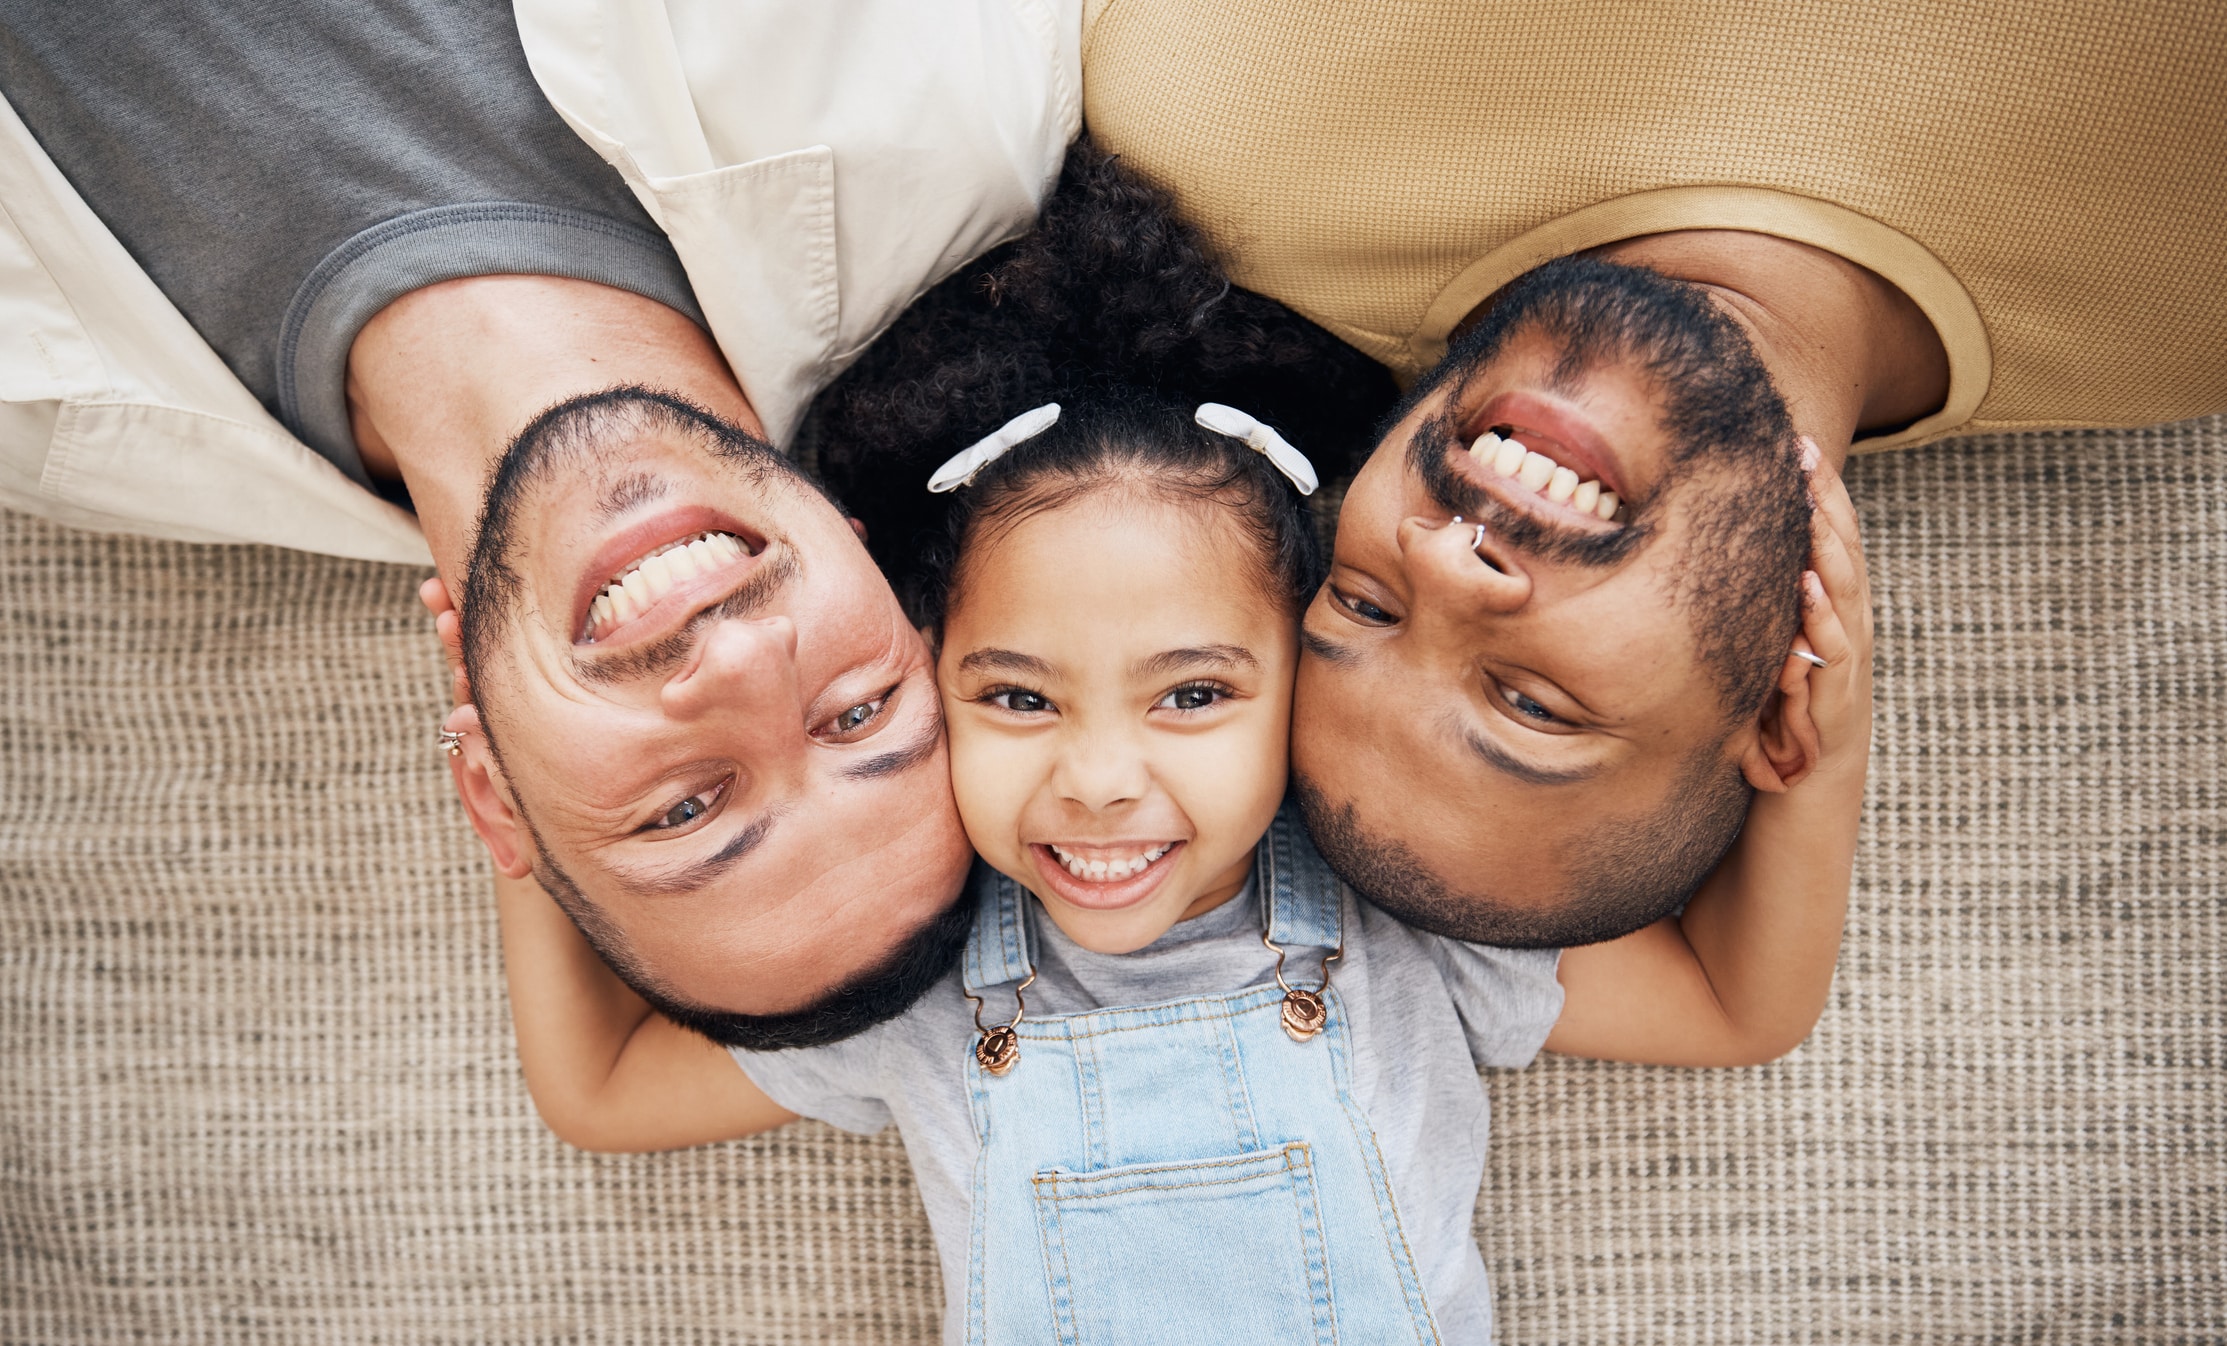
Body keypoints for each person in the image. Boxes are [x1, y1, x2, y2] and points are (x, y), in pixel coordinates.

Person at [485, 150, 1875, 1343]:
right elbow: (599, 1090)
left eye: (1193, 696)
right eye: (1016, 699)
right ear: (923, 677)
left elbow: (1731, 1005)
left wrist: (1821, 714)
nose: (1095, 781)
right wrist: (530, 793)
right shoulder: (903, 978)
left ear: (1304, 673)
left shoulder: (1404, 913)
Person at [0, 0, 1078, 1024]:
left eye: (685, 810)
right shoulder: (946, 113)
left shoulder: (36, 437)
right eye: (858, 713)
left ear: (492, 793)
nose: (742, 662)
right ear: (876, 567)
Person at [1076, 0, 2226, 946]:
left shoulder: (1227, 110)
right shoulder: (2186, 307)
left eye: (1362, 600)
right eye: (1530, 700)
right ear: (1783, 703)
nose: (1439, 555)